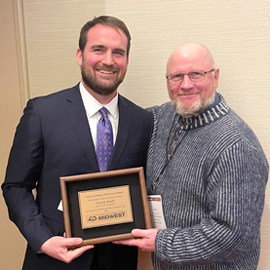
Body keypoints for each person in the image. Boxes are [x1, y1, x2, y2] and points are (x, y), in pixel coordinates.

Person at [2, 15, 153, 270]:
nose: (108, 60)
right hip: (54, 260)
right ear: (80, 55)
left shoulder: (143, 120)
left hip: (118, 262)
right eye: (98, 49)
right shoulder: (42, 113)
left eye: (118, 52)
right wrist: (43, 240)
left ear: (126, 61)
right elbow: (15, 187)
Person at [114, 43, 269, 269]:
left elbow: (234, 235)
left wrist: (161, 241)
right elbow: (125, 123)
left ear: (215, 77)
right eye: (176, 76)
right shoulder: (163, 116)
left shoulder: (236, 146)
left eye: (196, 74)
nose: (186, 85)